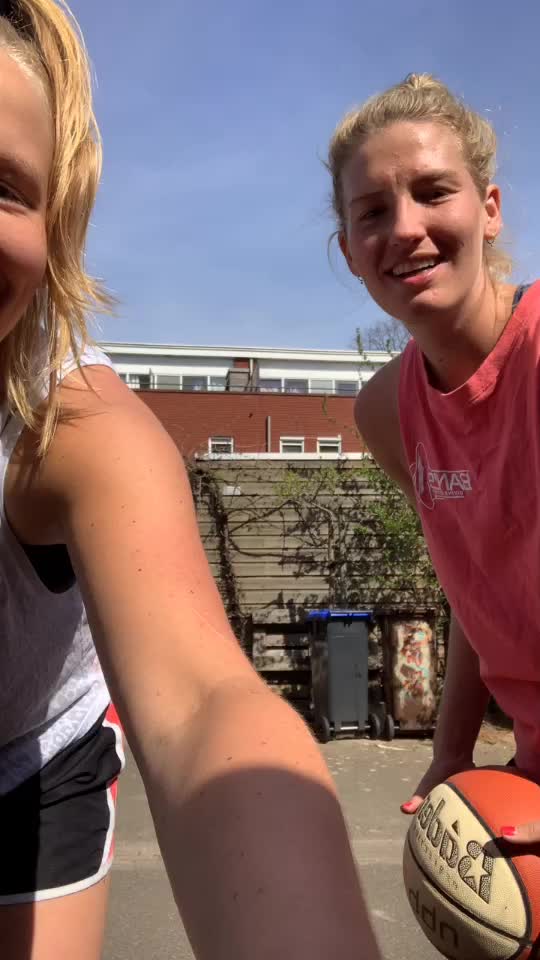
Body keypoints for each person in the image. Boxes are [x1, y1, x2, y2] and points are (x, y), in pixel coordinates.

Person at [0, 2, 383, 958]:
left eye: (3, 187)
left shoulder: (68, 420)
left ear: (56, 223)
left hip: (30, 768)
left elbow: (203, 697)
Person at [328, 72, 540, 847]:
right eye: (372, 212)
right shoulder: (386, 412)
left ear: (489, 209)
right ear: (350, 252)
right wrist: (451, 754)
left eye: (433, 192)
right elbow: (475, 591)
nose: (405, 228)